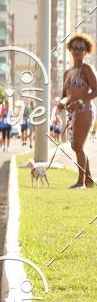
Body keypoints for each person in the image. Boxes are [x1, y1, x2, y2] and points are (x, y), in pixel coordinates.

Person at [58, 32, 97, 188]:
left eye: (81, 48)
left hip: (85, 110)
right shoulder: (67, 73)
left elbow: (95, 90)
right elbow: (64, 95)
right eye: (74, 47)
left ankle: (81, 181)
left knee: (78, 146)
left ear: (86, 50)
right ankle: (89, 180)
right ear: (70, 49)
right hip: (73, 113)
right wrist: (61, 103)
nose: (77, 51)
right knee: (75, 146)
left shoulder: (87, 69)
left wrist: (80, 101)